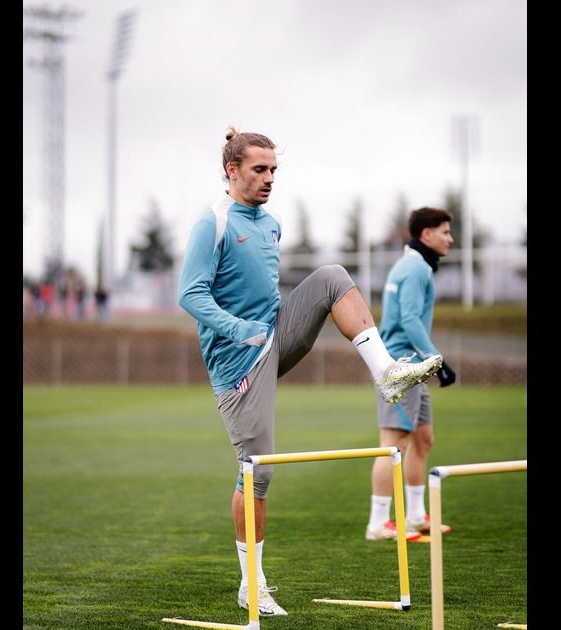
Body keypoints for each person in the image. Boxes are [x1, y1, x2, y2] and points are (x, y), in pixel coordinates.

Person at [178, 127, 443, 618]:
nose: (269, 178)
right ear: (231, 170)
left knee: (332, 276)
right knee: (259, 472)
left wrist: (272, 326)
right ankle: (250, 585)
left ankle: (385, 370)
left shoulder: (271, 224)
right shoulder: (210, 225)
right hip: (239, 360)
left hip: (276, 335)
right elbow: (190, 295)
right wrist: (240, 331)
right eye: (259, 169)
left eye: (274, 170)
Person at [365, 207, 458, 541]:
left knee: (423, 439)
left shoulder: (410, 264)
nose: (451, 238)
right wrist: (437, 359)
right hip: (402, 366)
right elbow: (410, 320)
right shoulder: (416, 268)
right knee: (392, 445)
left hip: (411, 366)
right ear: (427, 234)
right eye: (445, 231)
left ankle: (417, 516)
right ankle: (378, 524)